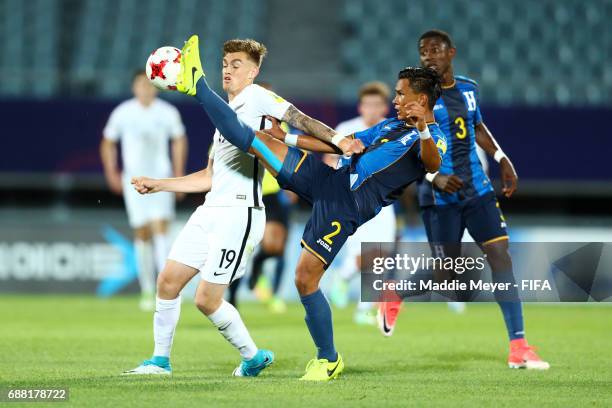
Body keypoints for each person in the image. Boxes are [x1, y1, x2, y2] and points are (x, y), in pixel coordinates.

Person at [173, 34, 446, 381]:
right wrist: (284, 136)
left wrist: (422, 128)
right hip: (331, 180)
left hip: (347, 205)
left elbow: (432, 162)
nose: (395, 99)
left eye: (400, 94)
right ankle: (197, 85)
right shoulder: (392, 125)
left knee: (304, 279)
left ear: (420, 99)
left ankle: (328, 359)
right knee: (256, 140)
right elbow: (345, 146)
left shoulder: (435, 136)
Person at [124, 38, 346, 377]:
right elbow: (209, 176)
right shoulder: (223, 118)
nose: (228, 69)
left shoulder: (257, 98)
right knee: (167, 281)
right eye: (225, 64)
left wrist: (338, 139)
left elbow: (299, 118)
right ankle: (160, 361)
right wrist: (159, 184)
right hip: (210, 210)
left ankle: (253, 357)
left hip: (240, 213)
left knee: (206, 300)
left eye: (237, 64)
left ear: (253, 72)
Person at [378, 29, 549, 370]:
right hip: (439, 197)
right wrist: (432, 175)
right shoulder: (415, 97)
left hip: (478, 190)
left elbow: (478, 128)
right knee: (446, 275)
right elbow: (404, 147)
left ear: (451, 52)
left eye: (435, 50)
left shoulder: (469, 89)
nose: (428, 55)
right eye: (423, 50)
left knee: (500, 256)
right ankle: (394, 293)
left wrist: (501, 158)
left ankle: (519, 347)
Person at [100, 70, 187, 311]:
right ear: (134, 88)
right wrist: (111, 171)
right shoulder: (123, 112)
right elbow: (108, 142)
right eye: (141, 84)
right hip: (134, 180)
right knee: (142, 233)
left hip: (161, 179)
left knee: (160, 228)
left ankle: (163, 288)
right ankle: (147, 289)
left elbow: (179, 140)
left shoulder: (167, 112)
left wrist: (178, 175)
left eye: (149, 85)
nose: (145, 89)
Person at [327, 82, 397, 326]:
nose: (372, 109)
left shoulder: (392, 130)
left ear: (385, 107)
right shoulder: (347, 129)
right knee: (365, 254)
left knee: (382, 256)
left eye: (377, 104)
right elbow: (329, 158)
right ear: (361, 106)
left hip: (385, 200)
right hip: (353, 199)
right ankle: (344, 276)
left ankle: (363, 308)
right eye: (368, 104)